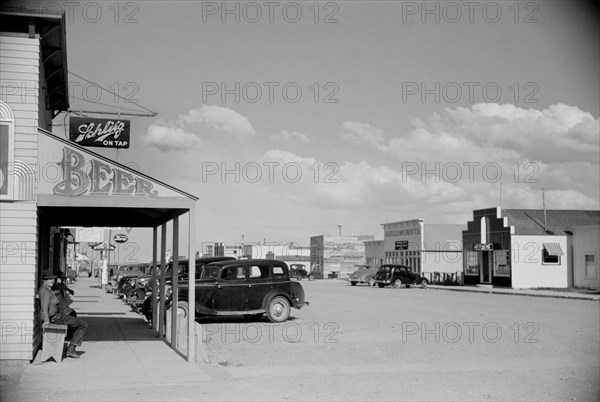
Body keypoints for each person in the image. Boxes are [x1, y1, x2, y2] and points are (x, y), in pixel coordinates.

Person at [38, 273, 88, 358]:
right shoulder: (45, 291)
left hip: (58, 315)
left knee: (77, 321)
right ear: (44, 281)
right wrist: (46, 321)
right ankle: (71, 350)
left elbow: (61, 288)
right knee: (83, 325)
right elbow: (44, 308)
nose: (52, 281)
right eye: (49, 279)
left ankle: (71, 348)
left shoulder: (48, 289)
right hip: (56, 318)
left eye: (53, 279)